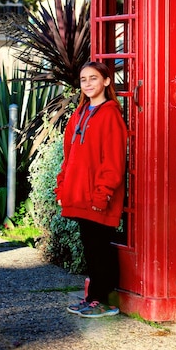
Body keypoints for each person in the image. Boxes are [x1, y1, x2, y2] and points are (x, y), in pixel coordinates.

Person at [55, 61, 127, 318]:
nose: (87, 83)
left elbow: (114, 161)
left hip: (98, 197)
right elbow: (69, 155)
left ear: (107, 81)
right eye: (84, 79)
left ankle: (105, 301)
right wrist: (62, 188)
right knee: (90, 247)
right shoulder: (79, 114)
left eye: (93, 78)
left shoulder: (111, 114)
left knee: (100, 248)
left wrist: (103, 193)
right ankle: (93, 298)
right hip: (79, 194)